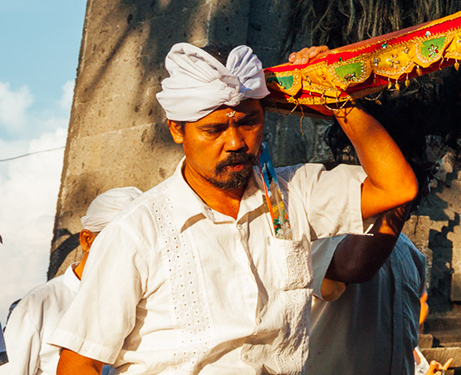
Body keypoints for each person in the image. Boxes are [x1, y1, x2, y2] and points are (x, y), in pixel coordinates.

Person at [50, 43, 418, 375]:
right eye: (212, 131)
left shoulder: (294, 194)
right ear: (177, 131)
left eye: (249, 122)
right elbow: (79, 362)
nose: (235, 143)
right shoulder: (136, 232)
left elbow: (397, 186)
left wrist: (334, 92)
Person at [4, 187, 141, 374]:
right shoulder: (39, 306)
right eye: (122, 243)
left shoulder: (148, 304)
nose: (133, 255)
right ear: (87, 240)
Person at [306, 199, 426, 375]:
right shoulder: (329, 235)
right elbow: (351, 268)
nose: (424, 191)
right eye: (418, 176)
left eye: (429, 178)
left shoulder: (410, 253)